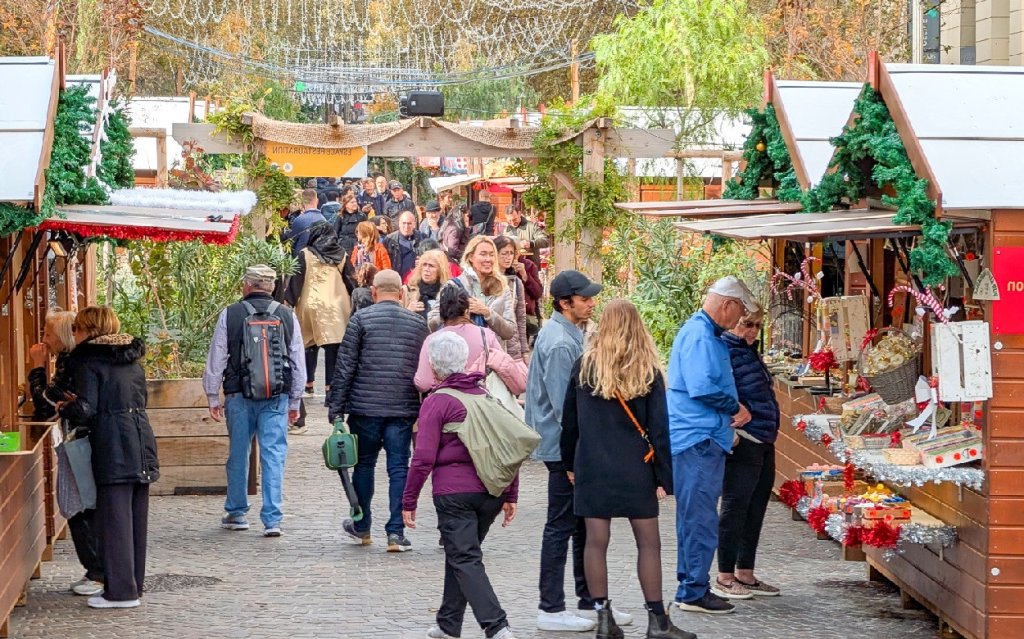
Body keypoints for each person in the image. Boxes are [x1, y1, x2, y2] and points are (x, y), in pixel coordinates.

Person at [561, 300, 695, 639]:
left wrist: (569, 464)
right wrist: (665, 478)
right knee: (648, 543)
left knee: (595, 542)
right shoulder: (647, 372)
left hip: (592, 465)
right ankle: (657, 621)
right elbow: (660, 430)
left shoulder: (584, 368)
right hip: (636, 466)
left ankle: (603, 621)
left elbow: (570, 425)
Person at [402, 331, 521, 639]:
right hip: (491, 492)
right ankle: (447, 622)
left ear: (432, 364)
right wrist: (511, 493)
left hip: (454, 493)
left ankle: (497, 626)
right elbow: (507, 445)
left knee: (465, 557)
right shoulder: (485, 396)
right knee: (461, 554)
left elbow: (422, 458)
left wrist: (408, 501)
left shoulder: (437, 402)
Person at [525, 269, 614, 633]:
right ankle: (551, 605)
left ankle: (587, 600)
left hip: (563, 441)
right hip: (563, 444)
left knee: (577, 522)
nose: (591, 303)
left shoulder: (565, 333)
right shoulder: (561, 342)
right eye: (585, 298)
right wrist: (583, 450)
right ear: (565, 302)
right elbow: (568, 406)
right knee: (562, 524)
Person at [668, 276, 757, 615]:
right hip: (698, 438)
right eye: (740, 312)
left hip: (701, 436)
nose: (739, 320)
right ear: (727, 305)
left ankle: (690, 585)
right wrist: (736, 409)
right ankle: (692, 591)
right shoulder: (701, 335)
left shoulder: (703, 333)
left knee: (695, 517)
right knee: (700, 519)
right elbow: (702, 386)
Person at [59, 306, 159, 610]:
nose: (73, 334)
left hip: (112, 444)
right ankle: (132, 586)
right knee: (134, 520)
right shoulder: (131, 359)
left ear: (90, 330)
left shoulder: (88, 362)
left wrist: (65, 408)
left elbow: (86, 409)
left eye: (77, 328)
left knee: (114, 520)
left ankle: (121, 593)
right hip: (141, 440)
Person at [328, 270, 429, 552]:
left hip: (365, 408)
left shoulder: (360, 319)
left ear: (373, 292)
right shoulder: (417, 324)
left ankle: (362, 525)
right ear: (401, 293)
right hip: (403, 408)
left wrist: (336, 408)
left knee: (364, 466)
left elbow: (345, 367)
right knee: (399, 467)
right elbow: (424, 371)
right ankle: (395, 532)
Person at [202, 265, 306, 537]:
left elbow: (217, 357)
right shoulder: (287, 316)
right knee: (274, 454)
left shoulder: (231, 314)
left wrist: (213, 395)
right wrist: (295, 402)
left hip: (238, 394)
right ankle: (272, 519)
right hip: (276, 394)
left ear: (246, 285)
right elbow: (297, 362)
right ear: (272, 287)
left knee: (238, 453)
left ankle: (236, 512)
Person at [28, 310, 104, 597]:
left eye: (47, 334)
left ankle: (97, 571)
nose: (44, 340)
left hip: (80, 440)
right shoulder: (76, 360)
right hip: (87, 440)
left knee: (77, 504)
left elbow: (45, 404)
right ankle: (96, 570)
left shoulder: (71, 362)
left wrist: (37, 367)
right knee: (80, 502)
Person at [715, 307, 781, 599]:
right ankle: (725, 575)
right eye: (746, 324)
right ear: (732, 323)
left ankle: (745, 572)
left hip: (764, 436)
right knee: (735, 507)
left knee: (755, 507)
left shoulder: (747, 350)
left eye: (756, 325)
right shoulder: (726, 349)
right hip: (745, 438)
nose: (752, 331)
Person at [284, 223, 356, 408]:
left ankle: (308, 383)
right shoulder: (341, 254)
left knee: (308, 345)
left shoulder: (305, 254)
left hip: (311, 305)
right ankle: (330, 392)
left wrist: (289, 302)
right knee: (334, 350)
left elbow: (296, 282)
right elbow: (350, 280)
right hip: (336, 307)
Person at [414, 285, 526, 396]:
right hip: (481, 400)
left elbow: (423, 383)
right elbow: (505, 368)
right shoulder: (485, 335)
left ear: (442, 316)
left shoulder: (432, 340)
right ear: (467, 311)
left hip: (446, 403)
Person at [429, 236, 519, 357]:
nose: (488, 259)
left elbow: (509, 332)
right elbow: (432, 324)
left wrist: (487, 313)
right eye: (483, 254)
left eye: (491, 254)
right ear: (470, 257)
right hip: (460, 360)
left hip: (492, 362)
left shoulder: (503, 288)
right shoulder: (453, 286)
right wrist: (450, 310)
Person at [492, 235, 530, 360]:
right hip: (492, 343)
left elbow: (520, 318)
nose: (508, 257)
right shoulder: (486, 280)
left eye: (511, 253)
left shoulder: (516, 282)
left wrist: (524, 350)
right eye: (504, 253)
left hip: (512, 346)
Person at [404, 248, 451, 321]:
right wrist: (408, 311)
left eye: (431, 266)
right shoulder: (407, 290)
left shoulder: (448, 292)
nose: (426, 269)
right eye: (424, 265)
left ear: (440, 270)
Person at [281, 189, 327, 258]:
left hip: (301, 259)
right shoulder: (324, 220)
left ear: (302, 202)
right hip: (318, 259)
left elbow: (290, 240)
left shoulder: (299, 220)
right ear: (317, 201)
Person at [384, 210, 426, 280]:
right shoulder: (389, 240)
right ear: (399, 223)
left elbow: (432, 258)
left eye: (409, 223)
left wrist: (423, 261)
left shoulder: (423, 238)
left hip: (415, 281)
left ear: (414, 224)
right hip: (395, 280)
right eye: (404, 223)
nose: (406, 226)